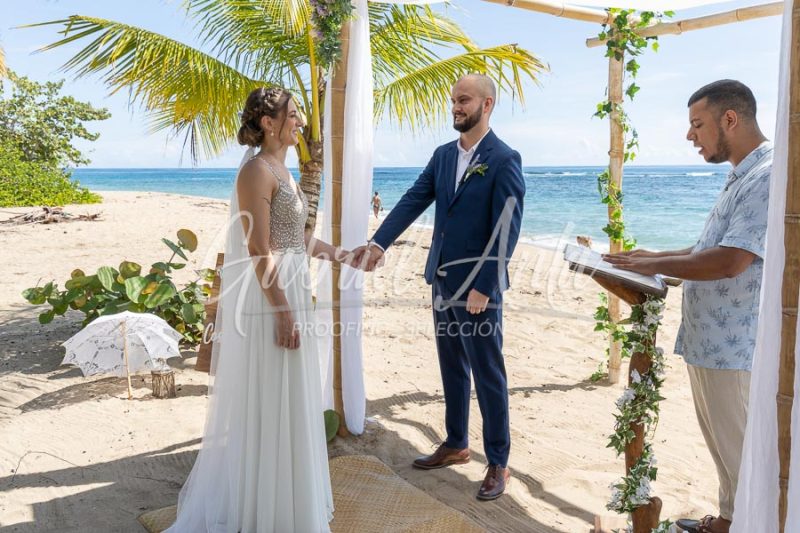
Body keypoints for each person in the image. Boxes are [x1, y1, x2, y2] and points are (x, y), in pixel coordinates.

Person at [166, 87, 355, 532]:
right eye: (293, 114)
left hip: (292, 285)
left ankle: (287, 500)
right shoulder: (255, 171)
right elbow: (258, 247)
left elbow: (295, 238)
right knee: (272, 392)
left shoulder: (283, 171)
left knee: (291, 393)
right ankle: (263, 508)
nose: (301, 121)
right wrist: (283, 311)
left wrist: (341, 255)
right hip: (271, 295)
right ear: (269, 123)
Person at [604, 80, 772, 533]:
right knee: (724, 447)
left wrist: (655, 263)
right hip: (711, 342)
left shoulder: (768, 174)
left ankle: (743, 523)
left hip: (735, 346)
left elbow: (731, 260)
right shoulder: (743, 173)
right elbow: (710, 248)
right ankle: (729, 520)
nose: (689, 135)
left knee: (739, 448)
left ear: (730, 119)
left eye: (698, 124)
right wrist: (653, 257)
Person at [353, 74, 525, 501]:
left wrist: (485, 286)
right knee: (451, 366)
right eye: (453, 101)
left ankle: (498, 462)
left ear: (487, 104)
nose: (456, 107)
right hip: (442, 279)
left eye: (464, 100)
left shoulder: (505, 159)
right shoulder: (443, 156)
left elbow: (507, 229)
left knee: (488, 374)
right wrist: (378, 243)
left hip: (479, 290)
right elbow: (414, 198)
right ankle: (456, 443)